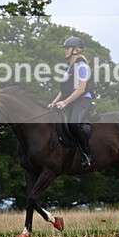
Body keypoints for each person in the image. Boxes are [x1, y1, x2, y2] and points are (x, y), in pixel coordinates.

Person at [48, 36, 94, 167]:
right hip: (71, 100)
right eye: (65, 48)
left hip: (83, 100)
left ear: (76, 50)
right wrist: (54, 102)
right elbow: (64, 90)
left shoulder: (82, 66)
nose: (65, 50)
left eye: (67, 48)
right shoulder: (68, 68)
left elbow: (80, 89)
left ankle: (88, 155)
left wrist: (64, 103)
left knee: (74, 123)